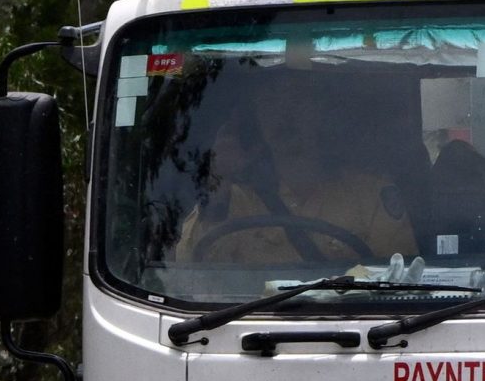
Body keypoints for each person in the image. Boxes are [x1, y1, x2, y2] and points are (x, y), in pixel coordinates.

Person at [176, 77, 419, 265]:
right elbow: (191, 269)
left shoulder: (371, 194)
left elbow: (399, 279)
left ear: (321, 112)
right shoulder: (234, 200)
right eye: (270, 100)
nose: (284, 114)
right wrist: (219, 179)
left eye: (297, 98)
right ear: (256, 119)